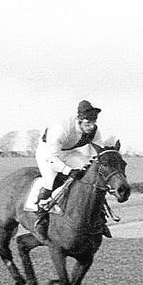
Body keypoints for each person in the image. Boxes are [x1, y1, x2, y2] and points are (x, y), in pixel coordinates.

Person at [34, 99, 107, 238]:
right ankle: (41, 219)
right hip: (48, 153)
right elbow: (52, 159)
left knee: (91, 176)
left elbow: (99, 151)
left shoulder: (94, 131)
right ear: (79, 120)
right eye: (88, 123)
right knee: (50, 180)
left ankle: (100, 218)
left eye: (94, 122)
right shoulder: (60, 128)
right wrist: (68, 171)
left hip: (69, 152)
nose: (91, 127)